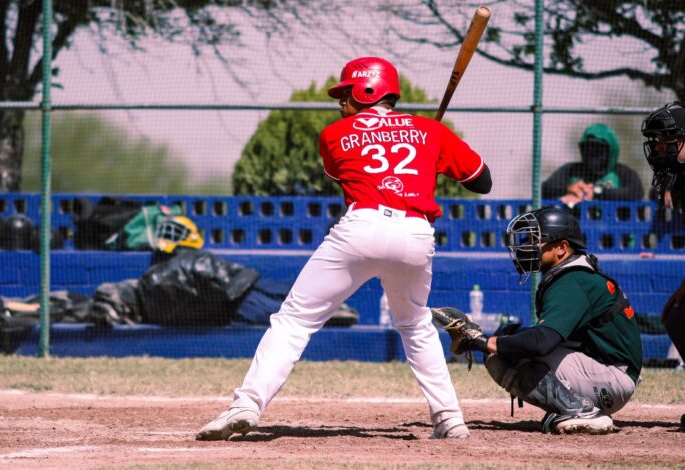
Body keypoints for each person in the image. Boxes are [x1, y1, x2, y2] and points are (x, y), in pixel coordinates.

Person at [195, 56, 492, 441]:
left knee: (294, 320)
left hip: (362, 227)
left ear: (365, 90)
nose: (341, 103)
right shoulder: (430, 130)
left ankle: (247, 405)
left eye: (345, 94)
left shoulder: (335, 135)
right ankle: (450, 419)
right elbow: (481, 181)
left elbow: (351, 173)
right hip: (416, 234)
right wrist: (433, 146)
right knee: (416, 324)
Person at [440, 207, 642, 435]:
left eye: (535, 240)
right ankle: (576, 407)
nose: (526, 246)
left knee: (503, 352)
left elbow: (542, 342)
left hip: (612, 379)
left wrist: (481, 342)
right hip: (605, 371)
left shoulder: (573, 280)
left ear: (561, 248)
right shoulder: (574, 273)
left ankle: (581, 411)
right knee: (510, 338)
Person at [640, 102, 685, 429]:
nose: (659, 149)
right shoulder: (679, 181)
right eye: (655, 141)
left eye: (667, 140)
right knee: (677, 316)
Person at [542, 124, 644, 207]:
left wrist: (595, 192)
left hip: (616, 230)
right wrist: (570, 189)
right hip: (577, 229)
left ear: (611, 152)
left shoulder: (622, 172)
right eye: (588, 149)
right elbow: (544, 189)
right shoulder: (571, 170)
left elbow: (636, 192)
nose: (593, 155)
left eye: (599, 151)